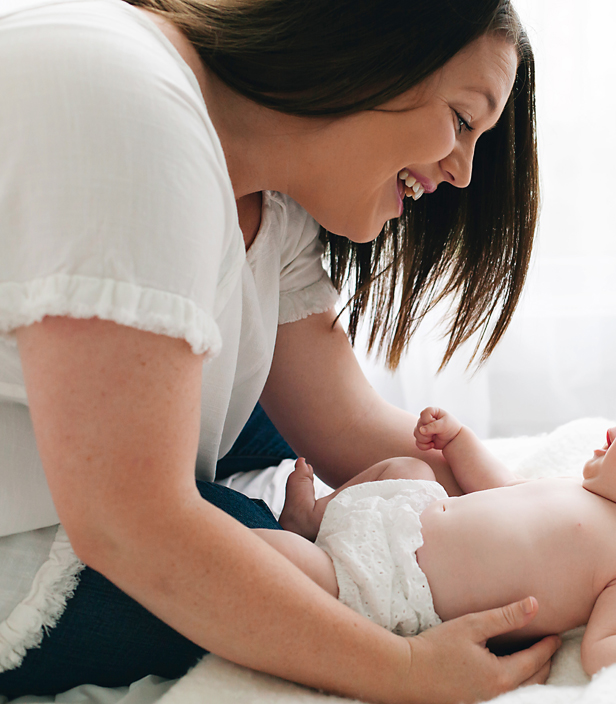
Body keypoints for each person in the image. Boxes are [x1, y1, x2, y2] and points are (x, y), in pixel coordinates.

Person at [0, 0, 562, 700]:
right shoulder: (129, 104)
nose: (464, 172)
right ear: (370, 46)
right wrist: (405, 671)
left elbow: (348, 428)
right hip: (43, 542)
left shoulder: (269, 196)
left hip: (84, 458)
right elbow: (128, 524)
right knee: (275, 554)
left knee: (312, 468)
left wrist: (572, 510)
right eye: (462, 119)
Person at [257, 395, 616, 680]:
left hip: (394, 585)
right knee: (407, 468)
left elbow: (604, 648)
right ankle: (313, 517)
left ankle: (297, 543)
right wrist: (460, 442)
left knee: (268, 556)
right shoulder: (580, 490)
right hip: (407, 515)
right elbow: (499, 485)